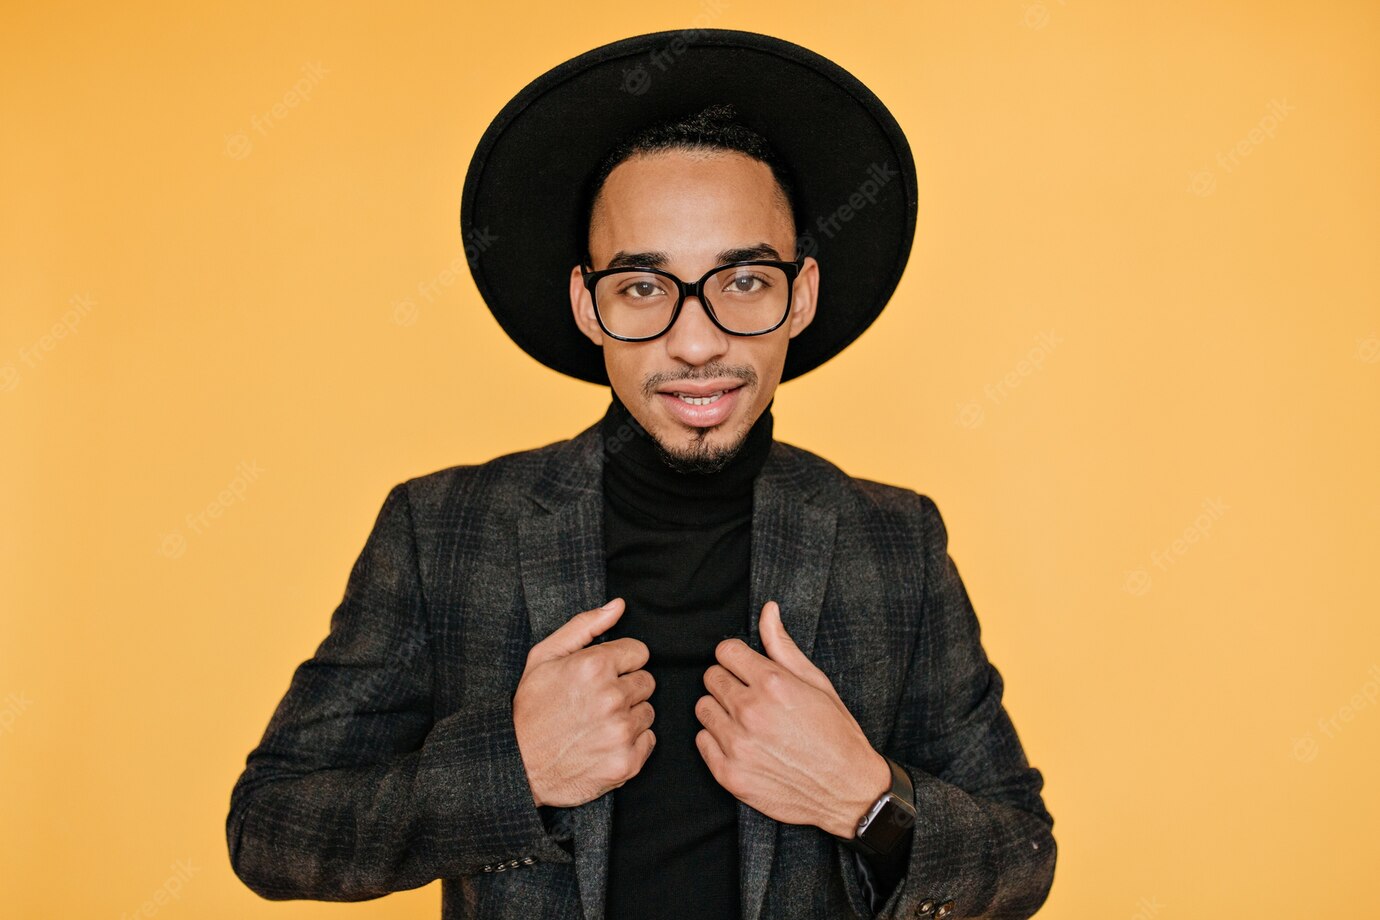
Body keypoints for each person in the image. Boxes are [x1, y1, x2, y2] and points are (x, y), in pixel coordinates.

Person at [226, 28, 1056, 920]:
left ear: (801, 295)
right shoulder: (443, 529)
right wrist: (513, 770)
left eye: (741, 281)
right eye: (644, 288)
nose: (696, 343)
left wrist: (863, 800)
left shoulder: (896, 539)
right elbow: (273, 830)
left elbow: (1022, 859)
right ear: (588, 303)